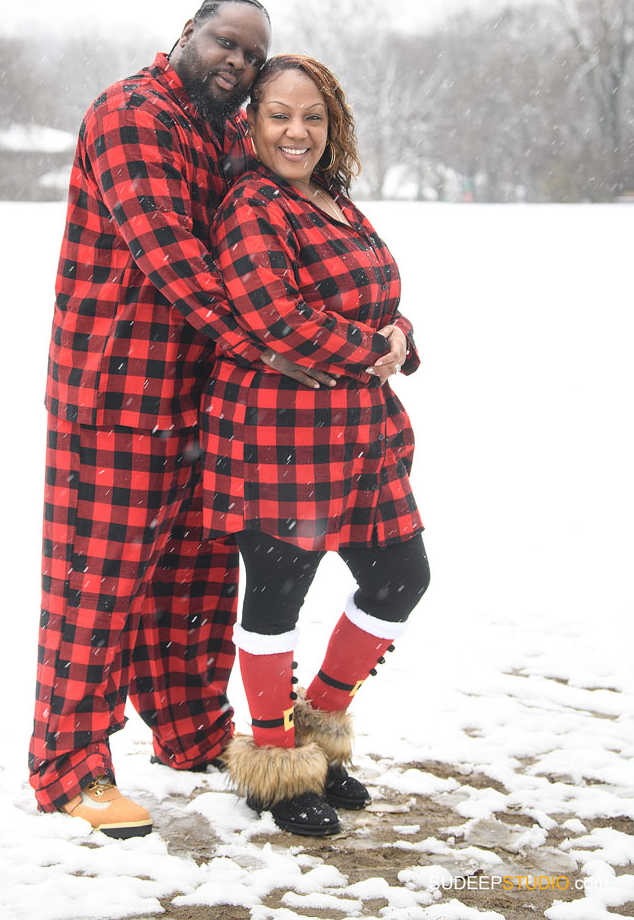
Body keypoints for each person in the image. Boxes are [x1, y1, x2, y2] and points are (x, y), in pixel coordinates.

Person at [29, 0, 334, 840]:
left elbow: (297, 234)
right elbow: (175, 258)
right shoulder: (134, 114)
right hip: (118, 398)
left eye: (252, 53)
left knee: (194, 583)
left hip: (205, 400)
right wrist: (273, 345)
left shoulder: (230, 133)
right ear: (184, 35)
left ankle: (192, 731)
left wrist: (367, 325)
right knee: (97, 587)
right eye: (224, 42)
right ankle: (70, 767)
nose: (237, 62)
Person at [200, 55, 430, 836]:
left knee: (401, 575)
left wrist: (398, 335)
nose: (297, 131)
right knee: (276, 595)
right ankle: (271, 764)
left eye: (314, 118)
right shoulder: (252, 206)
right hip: (281, 435)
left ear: (333, 127)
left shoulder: (334, 201)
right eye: (279, 116)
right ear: (253, 123)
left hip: (360, 435)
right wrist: (371, 342)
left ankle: (320, 728)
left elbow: (377, 299)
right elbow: (276, 316)